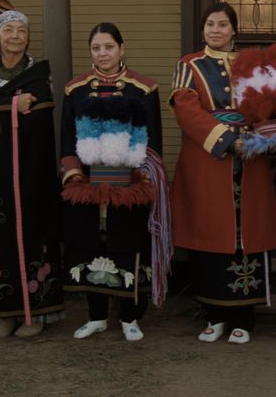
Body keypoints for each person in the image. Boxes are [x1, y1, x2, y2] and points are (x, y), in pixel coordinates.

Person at [170, 2, 276, 344]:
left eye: (222, 25)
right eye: (210, 25)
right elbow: (186, 110)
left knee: (249, 234)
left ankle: (244, 317)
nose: (215, 30)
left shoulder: (255, 65)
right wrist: (228, 141)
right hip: (207, 159)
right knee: (209, 235)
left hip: (252, 161)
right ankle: (214, 316)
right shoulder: (189, 65)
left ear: (234, 30)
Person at [60, 22, 168, 343]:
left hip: (128, 186)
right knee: (92, 247)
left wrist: (142, 176)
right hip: (88, 186)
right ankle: (96, 317)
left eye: (109, 47)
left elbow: (153, 142)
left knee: (127, 245)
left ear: (122, 48)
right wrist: (74, 175)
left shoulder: (143, 88)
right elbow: (68, 139)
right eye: (96, 48)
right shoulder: (75, 89)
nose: (103, 53)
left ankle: (130, 317)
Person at [0, 10, 64, 338]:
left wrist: (5, 105)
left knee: (34, 233)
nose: (16, 36)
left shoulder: (38, 71)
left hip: (31, 168)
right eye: (9, 30)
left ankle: (35, 313)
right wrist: (13, 106)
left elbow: (41, 110)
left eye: (22, 30)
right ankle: (4, 312)